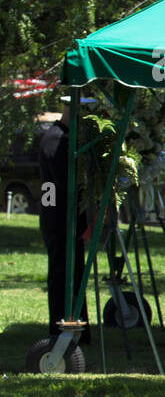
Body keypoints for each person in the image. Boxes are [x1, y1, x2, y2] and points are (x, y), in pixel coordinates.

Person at [37, 98, 88, 340]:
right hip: (58, 217)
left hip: (65, 216)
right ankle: (60, 327)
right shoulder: (56, 138)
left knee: (74, 272)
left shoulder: (63, 136)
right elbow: (66, 183)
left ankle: (77, 326)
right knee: (62, 275)